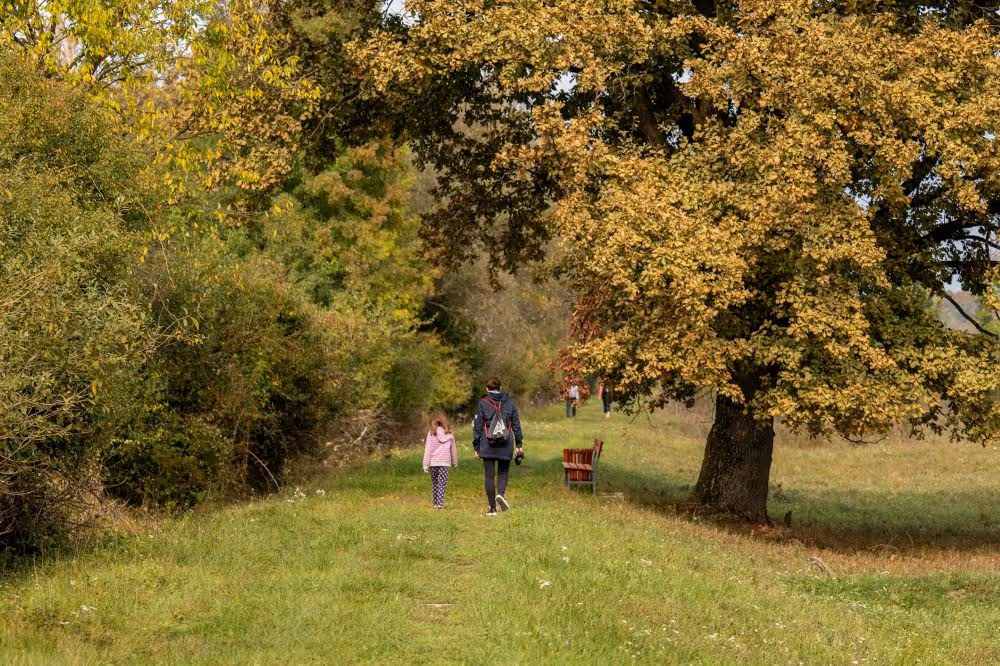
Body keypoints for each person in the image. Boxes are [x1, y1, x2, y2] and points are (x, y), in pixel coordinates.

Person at [473, 376, 523, 516]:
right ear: (500, 388)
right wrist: (519, 443)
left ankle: (492, 508)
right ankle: (500, 494)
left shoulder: (482, 403)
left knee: (489, 475)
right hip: (506, 443)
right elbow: (516, 425)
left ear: (487, 388)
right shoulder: (510, 402)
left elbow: (477, 427)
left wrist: (476, 447)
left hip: (487, 444)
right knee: (503, 472)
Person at [423, 411, 458, 509]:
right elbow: (453, 450)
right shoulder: (449, 434)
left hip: (434, 463)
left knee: (435, 484)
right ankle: (440, 504)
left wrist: (425, 465)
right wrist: (454, 462)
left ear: (432, 421)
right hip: (445, 463)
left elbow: (428, 450)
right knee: (441, 484)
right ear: (444, 421)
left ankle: (435, 504)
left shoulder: (431, 434)